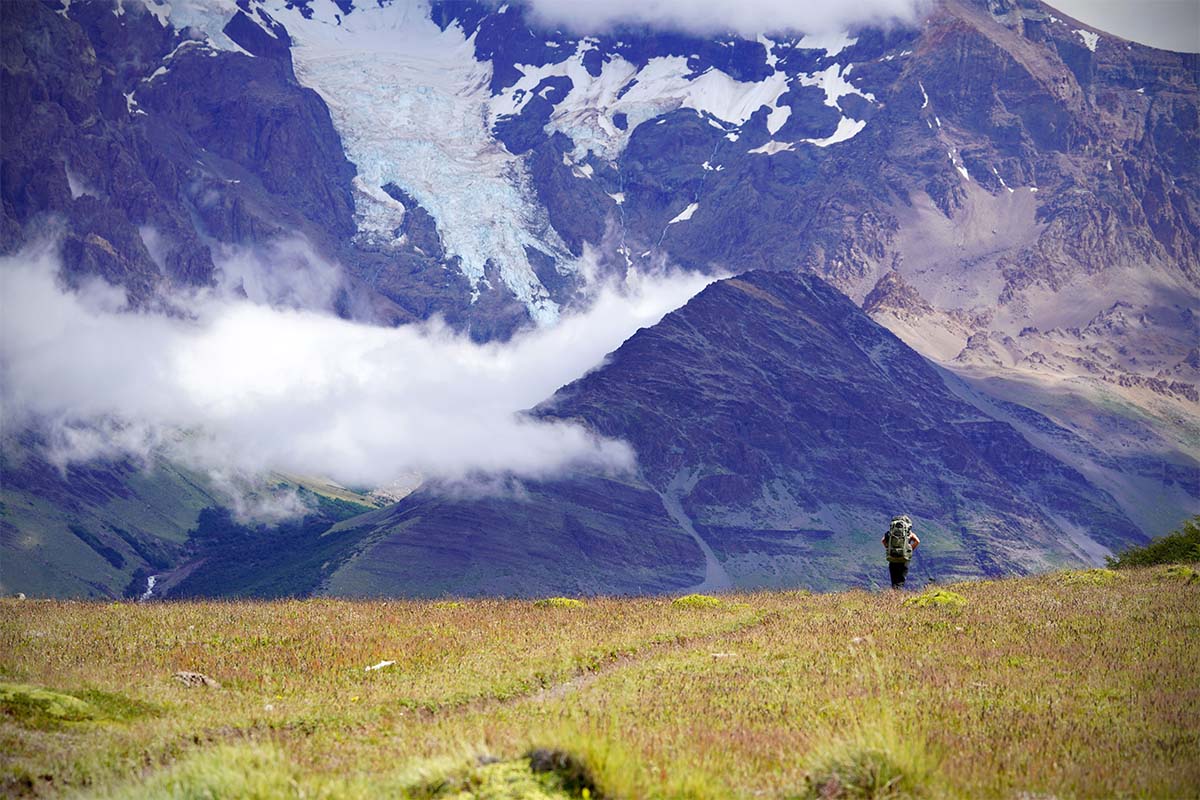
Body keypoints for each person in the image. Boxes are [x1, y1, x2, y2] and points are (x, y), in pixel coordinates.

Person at [882, 515, 920, 589]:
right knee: (900, 581)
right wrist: (909, 550)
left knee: (894, 581)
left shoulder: (890, 533)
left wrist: (889, 548)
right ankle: (898, 598)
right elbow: (917, 541)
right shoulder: (909, 533)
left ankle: (893, 597)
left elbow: (883, 540)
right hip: (904, 559)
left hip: (893, 557)